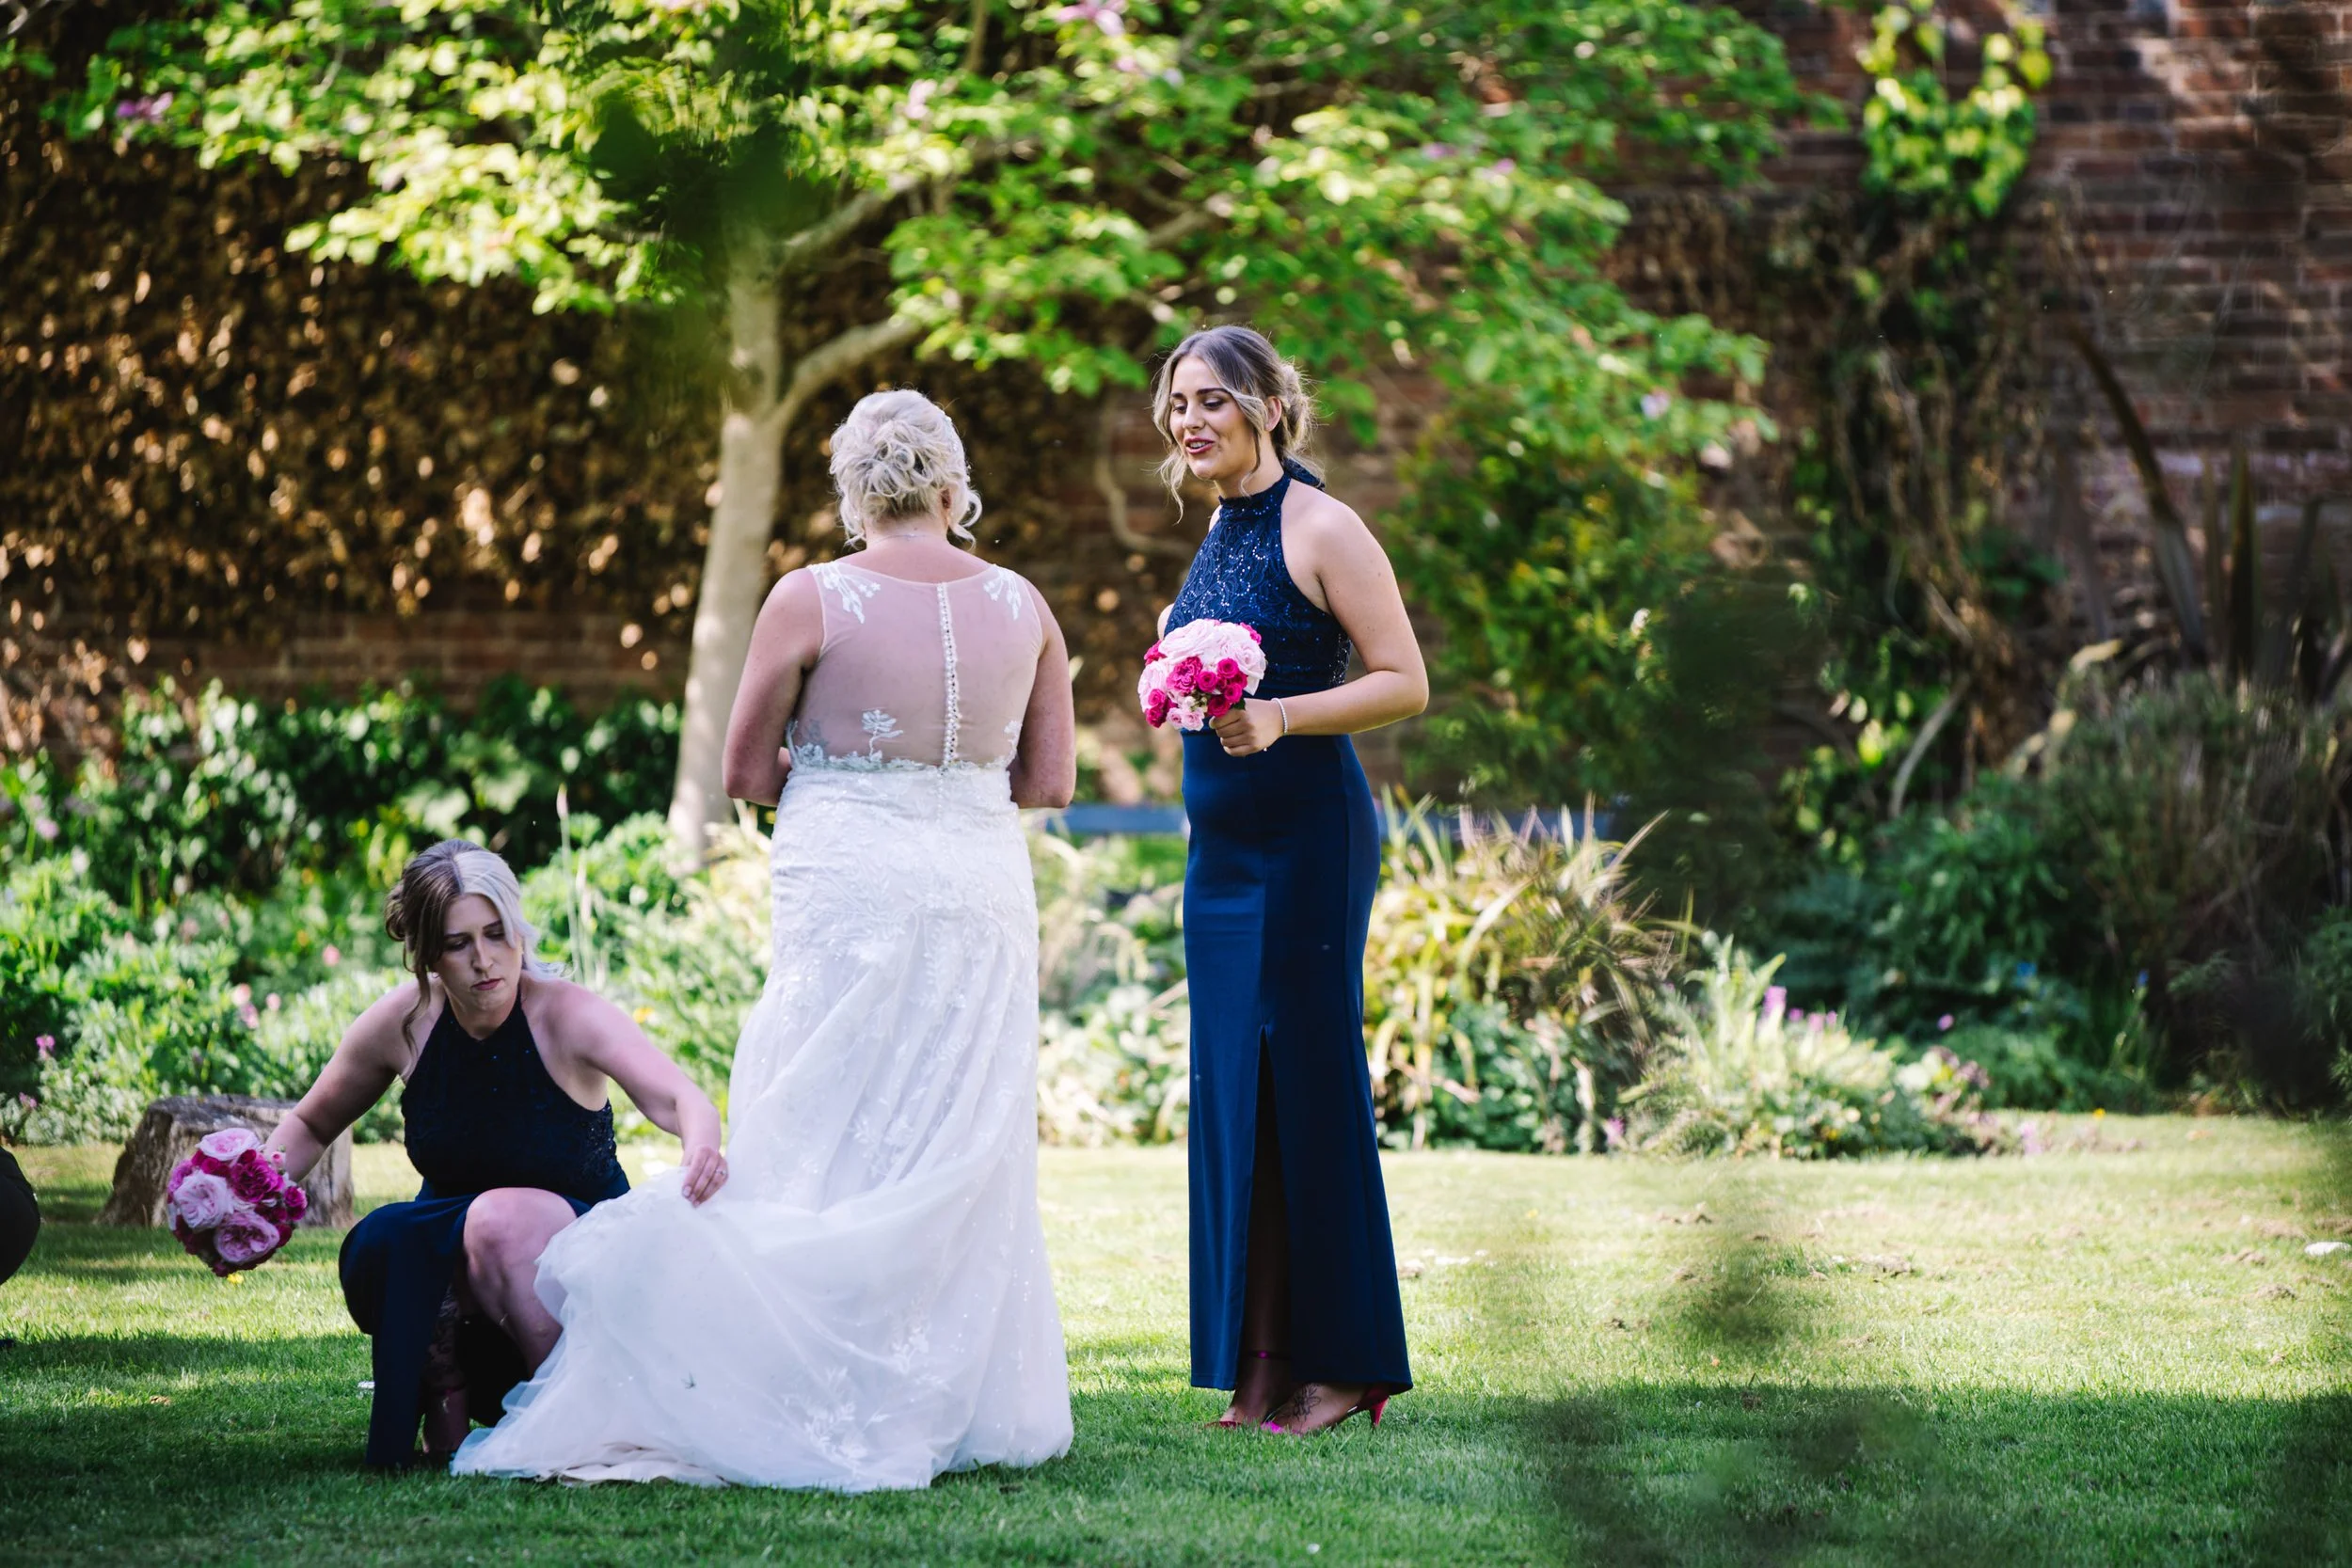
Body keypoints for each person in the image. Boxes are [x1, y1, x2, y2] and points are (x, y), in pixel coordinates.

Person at [453, 388, 1077, 1488]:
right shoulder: (1024, 605)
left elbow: (745, 769)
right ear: (951, 485)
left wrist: (850, 779)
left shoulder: (811, 596)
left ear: (852, 491)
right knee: (954, 1114)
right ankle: (933, 1388)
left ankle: (795, 1371)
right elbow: (1049, 780)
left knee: (821, 1104)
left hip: (849, 877)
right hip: (978, 883)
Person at [1152, 325, 1427, 1434]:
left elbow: (1404, 680)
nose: (1191, 420)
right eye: (1179, 403)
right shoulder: (1218, 524)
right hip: (1220, 857)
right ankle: (1260, 1365)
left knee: (1307, 1087)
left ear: (1268, 405)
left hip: (1306, 842)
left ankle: (1349, 1362)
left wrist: (1280, 715)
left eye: (1213, 399)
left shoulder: (1322, 524)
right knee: (1236, 1092)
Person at [263, 841, 726, 1467]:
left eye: (496, 933)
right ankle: (446, 1394)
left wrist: (701, 1147)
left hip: (585, 1276)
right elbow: (312, 1123)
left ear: (517, 930)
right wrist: (252, 1193)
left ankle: (583, 1416)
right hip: (468, 1290)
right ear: (428, 954)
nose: (483, 960)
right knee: (383, 1242)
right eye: (458, 944)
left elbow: (677, 1096)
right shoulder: (406, 1022)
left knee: (498, 1219)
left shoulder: (565, 1013)